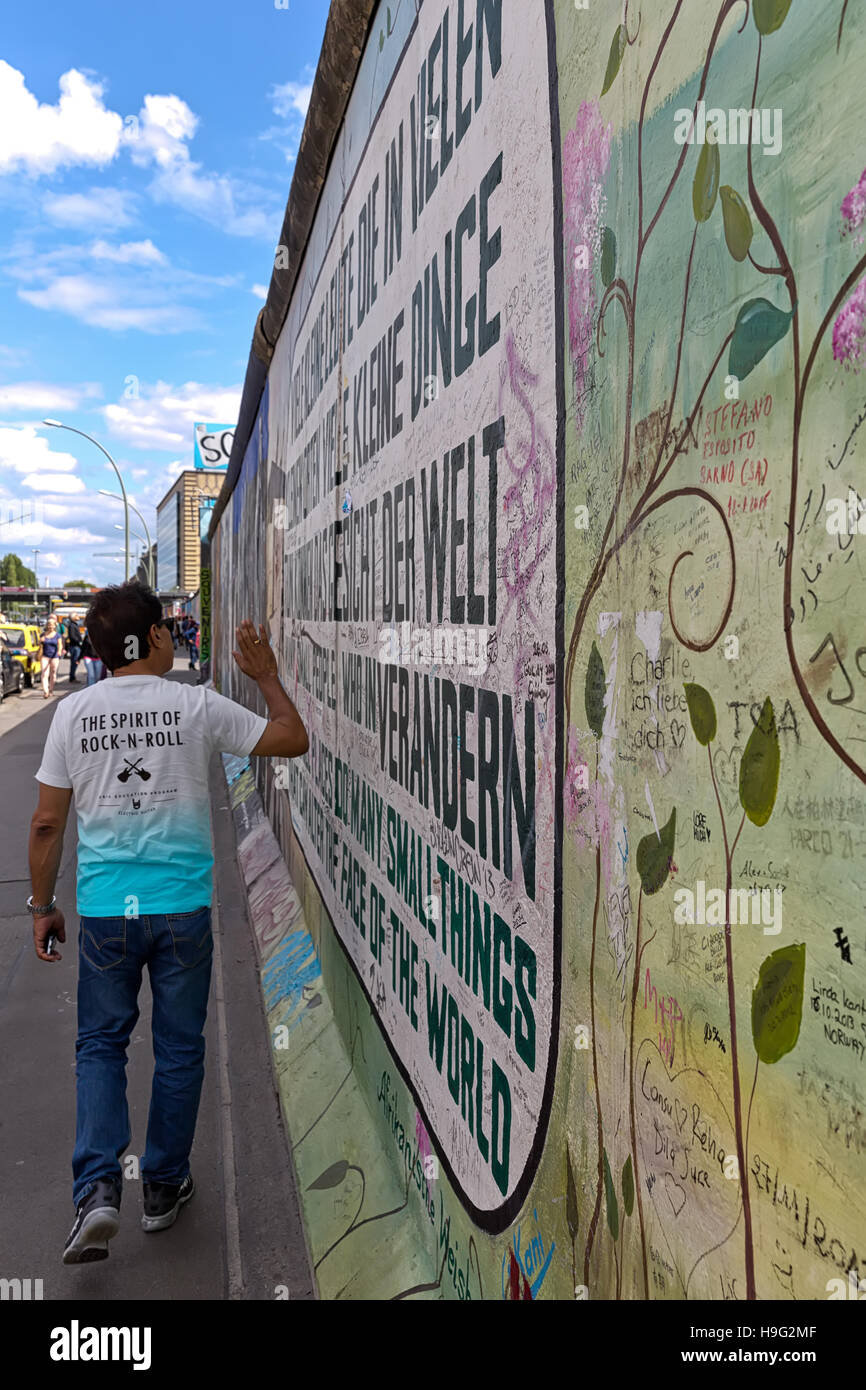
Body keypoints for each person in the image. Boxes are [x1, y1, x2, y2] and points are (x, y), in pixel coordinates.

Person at [27, 580, 308, 1265]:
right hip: (182, 911)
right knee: (180, 1048)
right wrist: (266, 676)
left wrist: (42, 906)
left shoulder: (72, 715)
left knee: (101, 1046)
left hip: (106, 915)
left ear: (99, 650)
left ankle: (97, 1191)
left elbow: (46, 824)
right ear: (155, 635)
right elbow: (291, 738)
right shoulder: (194, 705)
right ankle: (161, 1187)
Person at [40, 616, 61, 698]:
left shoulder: (57, 635)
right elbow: (39, 645)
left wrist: (59, 651)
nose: (50, 626)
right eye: (49, 625)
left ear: (55, 626)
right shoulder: (43, 635)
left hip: (54, 656)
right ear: (47, 625)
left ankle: (51, 689)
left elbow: (60, 645)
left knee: (53, 673)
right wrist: (40, 641)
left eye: (52, 625)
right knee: (44, 673)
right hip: (45, 656)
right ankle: (46, 691)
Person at [65, 616, 83, 683]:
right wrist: (79, 642)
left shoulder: (74, 625)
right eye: (76, 615)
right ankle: (72, 677)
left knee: (74, 662)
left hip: (75, 646)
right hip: (75, 646)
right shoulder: (72, 625)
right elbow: (72, 636)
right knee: (74, 662)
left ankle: (72, 677)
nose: (78, 616)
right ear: (73, 617)